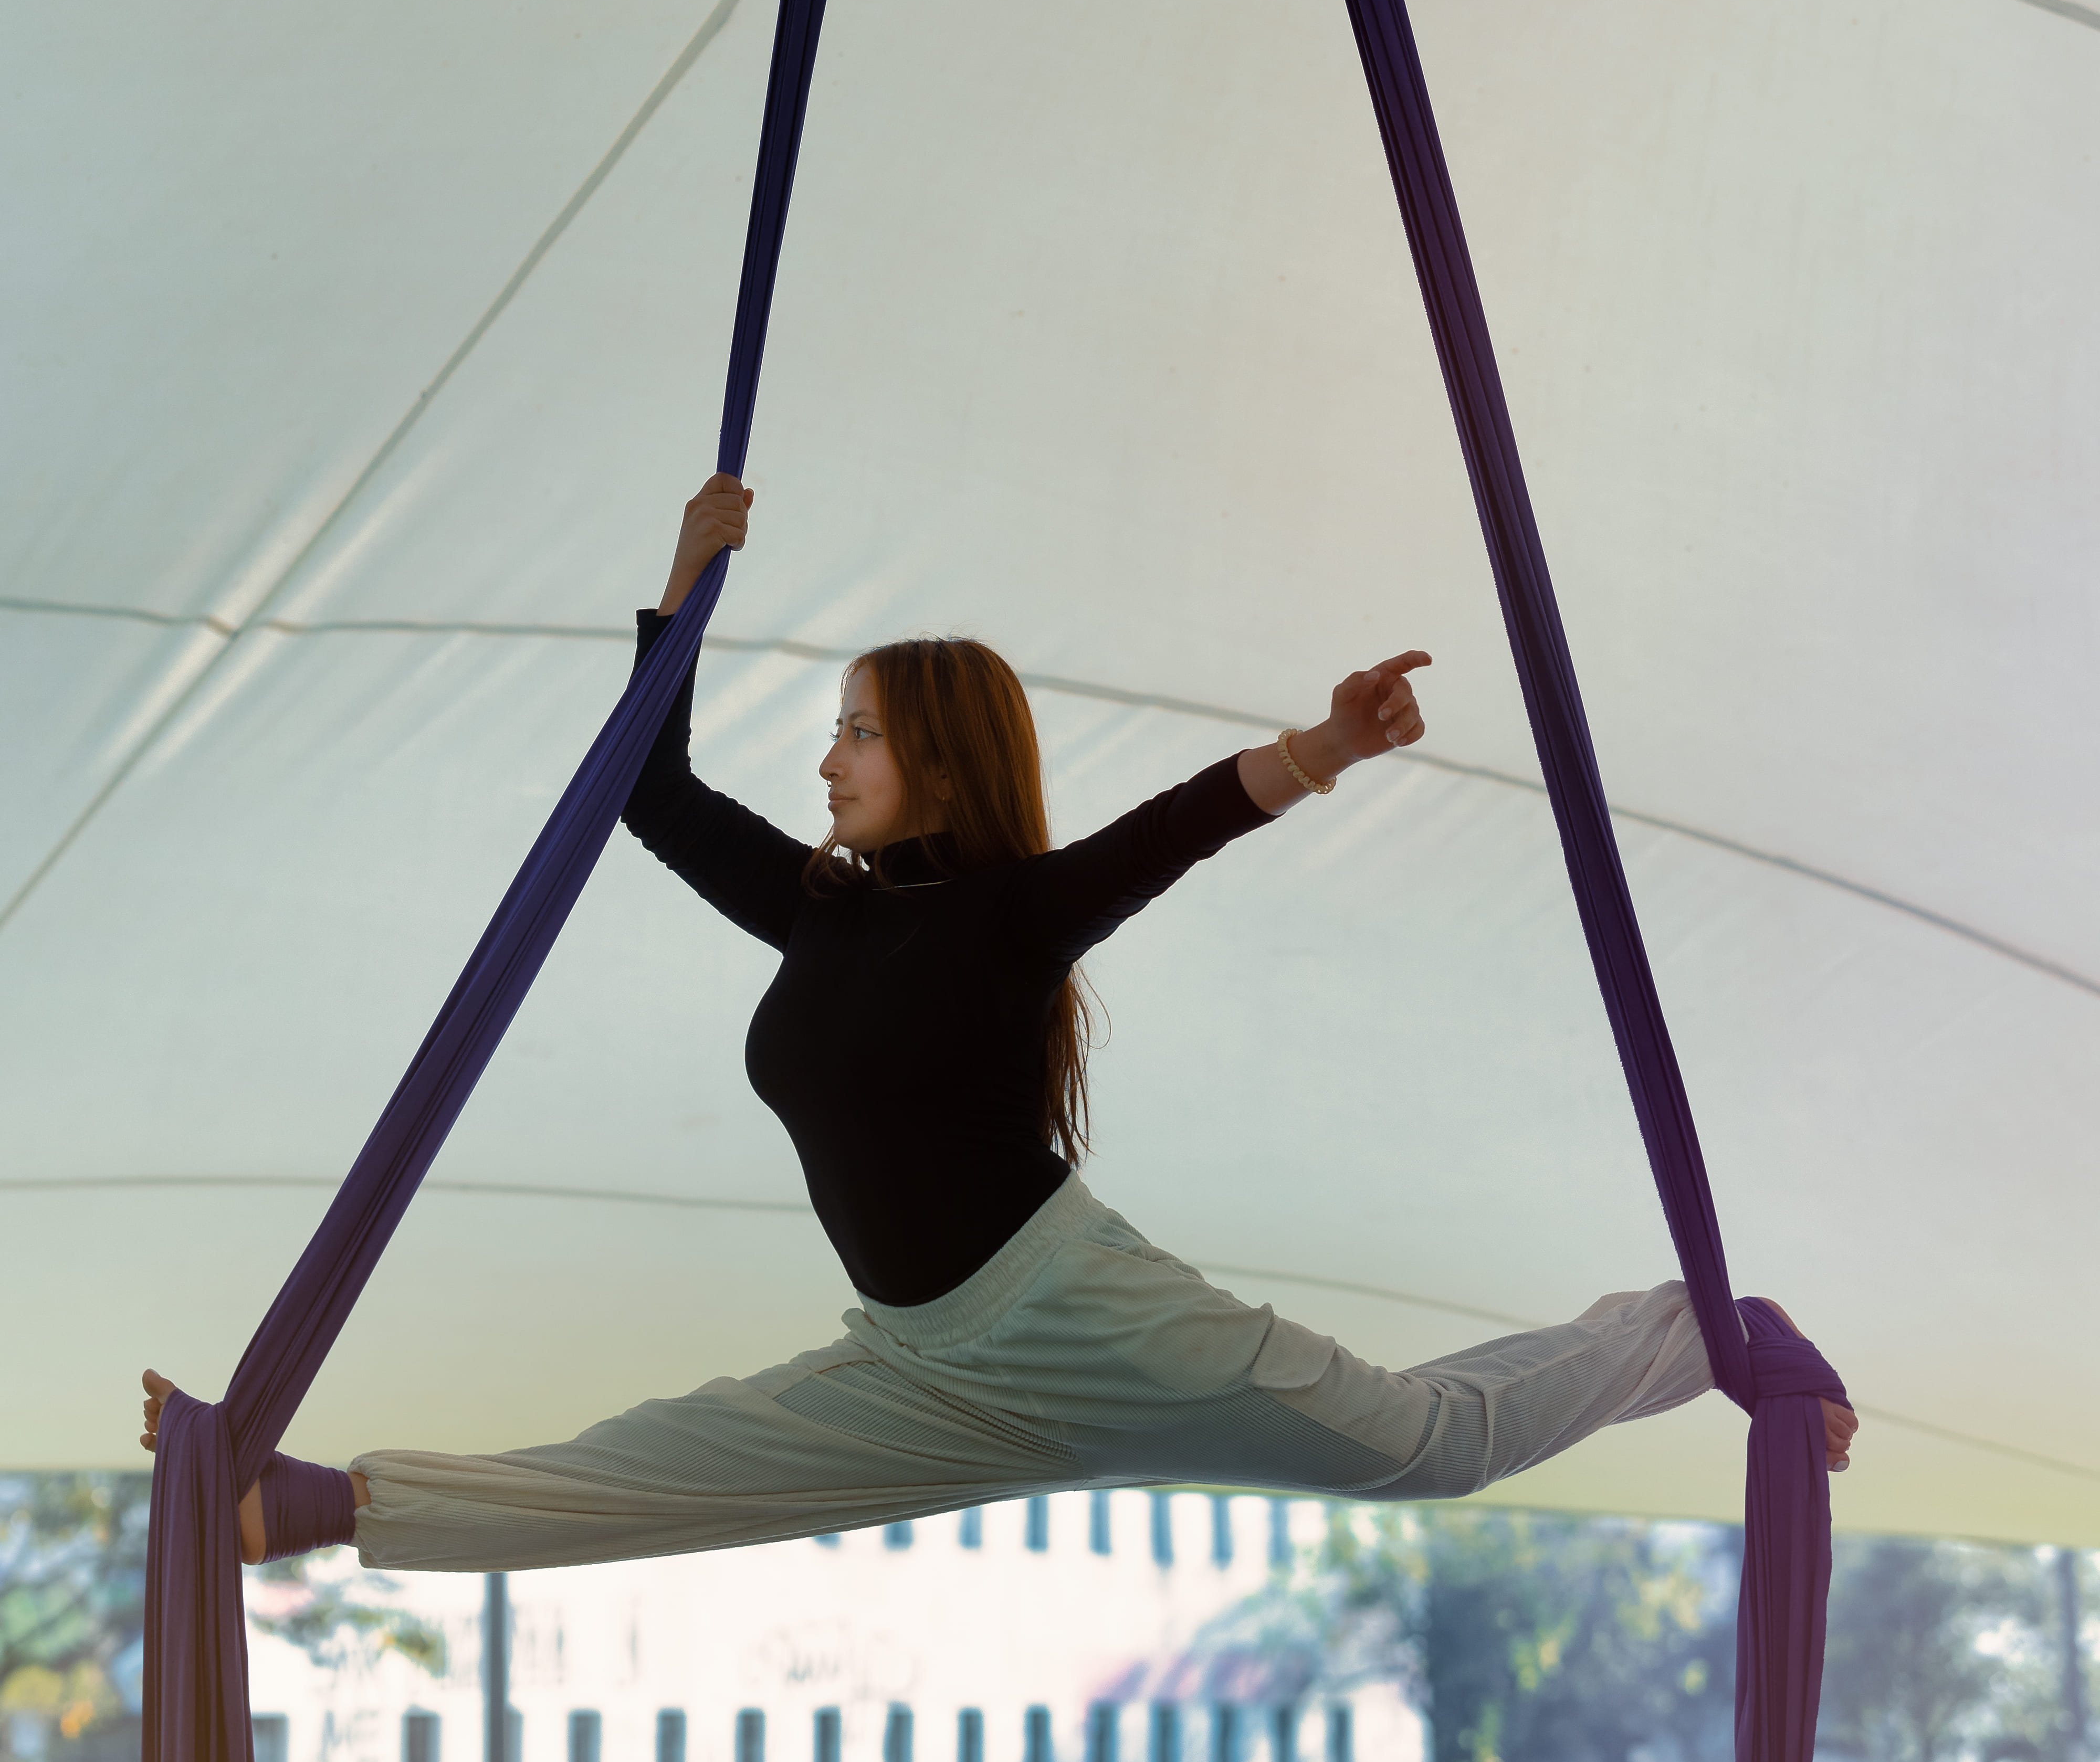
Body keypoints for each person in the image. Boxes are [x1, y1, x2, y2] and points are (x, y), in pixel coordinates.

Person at [142, 474, 1855, 1563]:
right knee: (677, 1472)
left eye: (857, 736)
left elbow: (1185, 820)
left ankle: (1700, 1329)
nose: (825, 762)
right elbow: (641, 793)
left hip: (1087, 1324)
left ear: (941, 763)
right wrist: (684, 580)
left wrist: (1332, 740)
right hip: (918, 1365)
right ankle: (324, 1505)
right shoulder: (812, 910)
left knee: (1432, 1444)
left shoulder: (1008, 918)